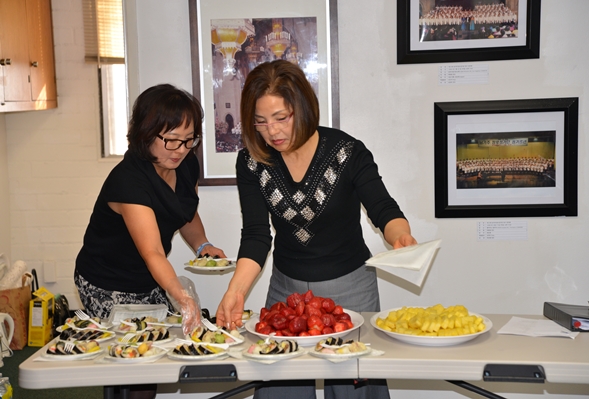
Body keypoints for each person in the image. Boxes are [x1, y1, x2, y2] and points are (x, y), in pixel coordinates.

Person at [216, 60, 417, 399]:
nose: (272, 132)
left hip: (351, 289)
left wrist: (401, 237)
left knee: (353, 389)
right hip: (287, 292)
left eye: (281, 118)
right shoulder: (252, 161)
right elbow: (256, 235)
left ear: (303, 108)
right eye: (260, 121)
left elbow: (384, 209)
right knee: (281, 389)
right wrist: (236, 291)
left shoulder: (346, 152)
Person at [74, 84, 226, 398]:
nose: (180, 149)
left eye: (189, 139)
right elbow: (153, 251)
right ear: (145, 133)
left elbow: (185, 212)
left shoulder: (185, 163)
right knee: (133, 360)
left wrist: (202, 245)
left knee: (153, 359)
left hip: (148, 277)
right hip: (106, 279)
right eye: (171, 139)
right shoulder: (128, 180)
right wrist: (182, 298)